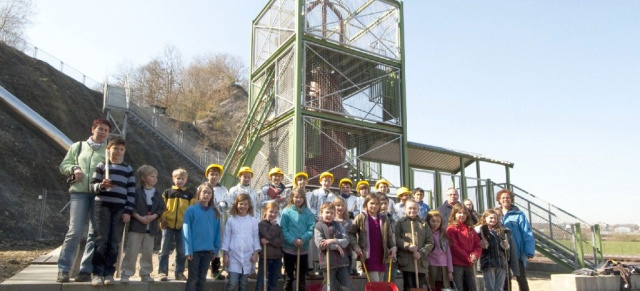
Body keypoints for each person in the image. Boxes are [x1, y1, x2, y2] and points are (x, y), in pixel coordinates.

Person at [57, 118, 111, 283]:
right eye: (100, 129)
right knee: (74, 231)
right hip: (79, 193)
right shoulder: (78, 147)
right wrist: (74, 168)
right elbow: (63, 166)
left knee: (94, 233)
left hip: (99, 196)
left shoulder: (108, 151)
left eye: (106, 131)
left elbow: (112, 171)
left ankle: (86, 270)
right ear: (92, 129)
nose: (103, 133)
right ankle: (63, 270)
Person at [88, 136, 136, 286]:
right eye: (115, 148)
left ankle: (109, 272)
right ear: (108, 149)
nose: (118, 152)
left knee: (115, 241)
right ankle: (97, 273)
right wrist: (102, 185)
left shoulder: (128, 169)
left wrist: (128, 211)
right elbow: (92, 187)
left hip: (119, 208)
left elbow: (131, 192)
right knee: (101, 239)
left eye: (121, 149)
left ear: (124, 151)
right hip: (102, 206)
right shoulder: (102, 166)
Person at [120, 165, 166, 283]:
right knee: (132, 251)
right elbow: (131, 206)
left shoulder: (157, 193)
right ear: (144, 178)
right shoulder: (136, 192)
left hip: (151, 227)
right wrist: (139, 217)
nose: (155, 179)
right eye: (152, 176)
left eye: (156, 177)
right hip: (137, 226)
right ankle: (126, 273)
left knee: (148, 252)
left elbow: (161, 208)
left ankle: (145, 273)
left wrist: (154, 216)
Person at [183, 182, 222, 291]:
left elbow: (217, 232)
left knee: (202, 279)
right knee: (193, 278)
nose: (206, 195)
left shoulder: (214, 212)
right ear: (199, 193)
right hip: (194, 251)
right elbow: (186, 231)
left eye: (209, 193)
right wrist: (188, 249)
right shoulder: (191, 210)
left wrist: (215, 248)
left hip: (208, 251)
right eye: (204, 192)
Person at [349, 194, 396, 282]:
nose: (374, 206)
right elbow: (351, 234)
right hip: (368, 256)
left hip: (381, 256)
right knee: (375, 283)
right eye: (371, 203)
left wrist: (393, 247)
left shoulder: (384, 218)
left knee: (380, 284)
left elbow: (389, 237)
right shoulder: (361, 217)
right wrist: (356, 246)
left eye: (377, 204)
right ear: (366, 204)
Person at [159, 168, 195, 281]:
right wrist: (162, 218)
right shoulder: (167, 192)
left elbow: (192, 210)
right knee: (164, 249)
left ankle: (179, 272)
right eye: (178, 178)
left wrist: (189, 224)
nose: (180, 181)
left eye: (182, 179)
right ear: (173, 179)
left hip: (182, 227)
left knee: (181, 251)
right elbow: (162, 207)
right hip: (168, 225)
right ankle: (162, 272)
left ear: (186, 180)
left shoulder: (189, 195)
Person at [496, 189, 535, 291]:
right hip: (501, 252)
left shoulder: (519, 214)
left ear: (511, 199)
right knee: (505, 279)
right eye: (503, 198)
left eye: (508, 197)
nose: (505, 200)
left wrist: (529, 250)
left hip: (516, 251)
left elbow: (526, 232)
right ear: (499, 200)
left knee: (521, 277)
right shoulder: (496, 213)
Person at [222, 193, 261, 291]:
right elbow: (226, 238)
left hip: (248, 256)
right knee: (232, 283)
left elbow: (255, 237)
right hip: (233, 256)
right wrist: (225, 255)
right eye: (241, 204)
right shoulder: (231, 220)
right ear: (236, 204)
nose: (243, 206)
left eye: (245, 204)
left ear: (249, 206)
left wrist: (255, 253)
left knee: (243, 284)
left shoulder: (253, 221)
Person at [280, 187, 315, 291]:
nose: (298, 199)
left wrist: (303, 239)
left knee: (301, 277)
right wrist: (292, 240)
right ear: (292, 198)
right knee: (289, 276)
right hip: (289, 249)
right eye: (296, 197)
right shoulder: (286, 211)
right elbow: (283, 228)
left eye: (301, 197)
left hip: (303, 249)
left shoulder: (308, 213)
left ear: (304, 199)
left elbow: (311, 228)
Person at [396, 200, 434, 291]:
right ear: (405, 209)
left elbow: (430, 242)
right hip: (407, 262)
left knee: (419, 287)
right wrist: (407, 246)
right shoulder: (400, 223)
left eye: (415, 208)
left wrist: (421, 253)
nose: (412, 210)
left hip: (420, 263)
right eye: (410, 208)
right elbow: (396, 238)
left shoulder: (424, 224)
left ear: (418, 209)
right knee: (409, 287)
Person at [314, 202, 352, 291]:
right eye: (327, 212)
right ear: (321, 213)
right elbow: (321, 244)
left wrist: (332, 240)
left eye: (331, 213)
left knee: (347, 287)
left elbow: (346, 241)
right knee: (329, 287)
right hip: (327, 262)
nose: (329, 215)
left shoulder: (338, 225)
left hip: (342, 262)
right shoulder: (318, 226)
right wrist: (336, 246)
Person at [447, 202, 481, 291]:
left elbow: (478, 244)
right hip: (457, 263)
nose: (462, 215)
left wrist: (475, 255)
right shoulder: (451, 229)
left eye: (464, 213)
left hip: (470, 263)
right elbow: (453, 246)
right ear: (454, 214)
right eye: (459, 213)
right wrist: (467, 257)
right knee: (458, 287)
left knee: (473, 287)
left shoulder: (470, 228)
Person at [306, 171, 334, 277]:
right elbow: (310, 206)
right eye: (325, 181)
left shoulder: (333, 196)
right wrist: (318, 215)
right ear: (321, 181)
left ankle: (322, 267)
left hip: (327, 223)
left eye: (329, 181)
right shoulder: (315, 193)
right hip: (316, 221)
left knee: (324, 243)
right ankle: (311, 268)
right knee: (313, 244)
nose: (326, 183)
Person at [475, 209, 509, 291]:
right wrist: (481, 244)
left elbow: (503, 247)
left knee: (499, 288)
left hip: (500, 263)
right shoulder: (480, 231)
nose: (493, 220)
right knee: (490, 287)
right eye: (490, 218)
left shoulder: (500, 231)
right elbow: (476, 244)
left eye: (495, 218)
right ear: (485, 218)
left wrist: (506, 245)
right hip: (488, 263)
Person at [255, 201, 284, 291]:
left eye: (275, 212)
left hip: (276, 257)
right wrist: (273, 227)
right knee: (261, 282)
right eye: (271, 211)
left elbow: (280, 241)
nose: (273, 214)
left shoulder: (278, 226)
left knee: (273, 283)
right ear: (265, 212)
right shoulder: (262, 224)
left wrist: (269, 241)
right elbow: (268, 235)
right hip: (265, 257)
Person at [205, 164, 228, 280]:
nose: (214, 177)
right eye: (211, 174)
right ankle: (203, 268)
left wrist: (223, 205)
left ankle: (215, 269)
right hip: (206, 219)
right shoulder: (202, 187)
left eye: (216, 174)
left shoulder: (223, 189)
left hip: (219, 219)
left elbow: (227, 202)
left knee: (217, 242)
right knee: (205, 242)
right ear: (207, 175)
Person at [426, 210, 453, 291]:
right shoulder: (426, 234)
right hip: (431, 265)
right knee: (431, 286)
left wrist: (450, 271)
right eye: (433, 221)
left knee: (443, 287)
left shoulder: (443, 234)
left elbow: (448, 254)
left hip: (443, 266)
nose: (435, 224)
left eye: (438, 222)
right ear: (428, 221)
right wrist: (425, 270)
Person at [332, 196, 356, 276]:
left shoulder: (349, 222)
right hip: (333, 253)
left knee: (345, 277)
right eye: (338, 205)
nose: (340, 208)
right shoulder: (330, 221)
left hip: (347, 253)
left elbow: (351, 237)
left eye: (343, 206)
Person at [378, 193, 398, 282]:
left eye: (385, 204)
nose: (383, 206)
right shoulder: (375, 219)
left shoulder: (392, 219)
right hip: (380, 255)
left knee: (390, 281)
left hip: (392, 255)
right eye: (381, 204)